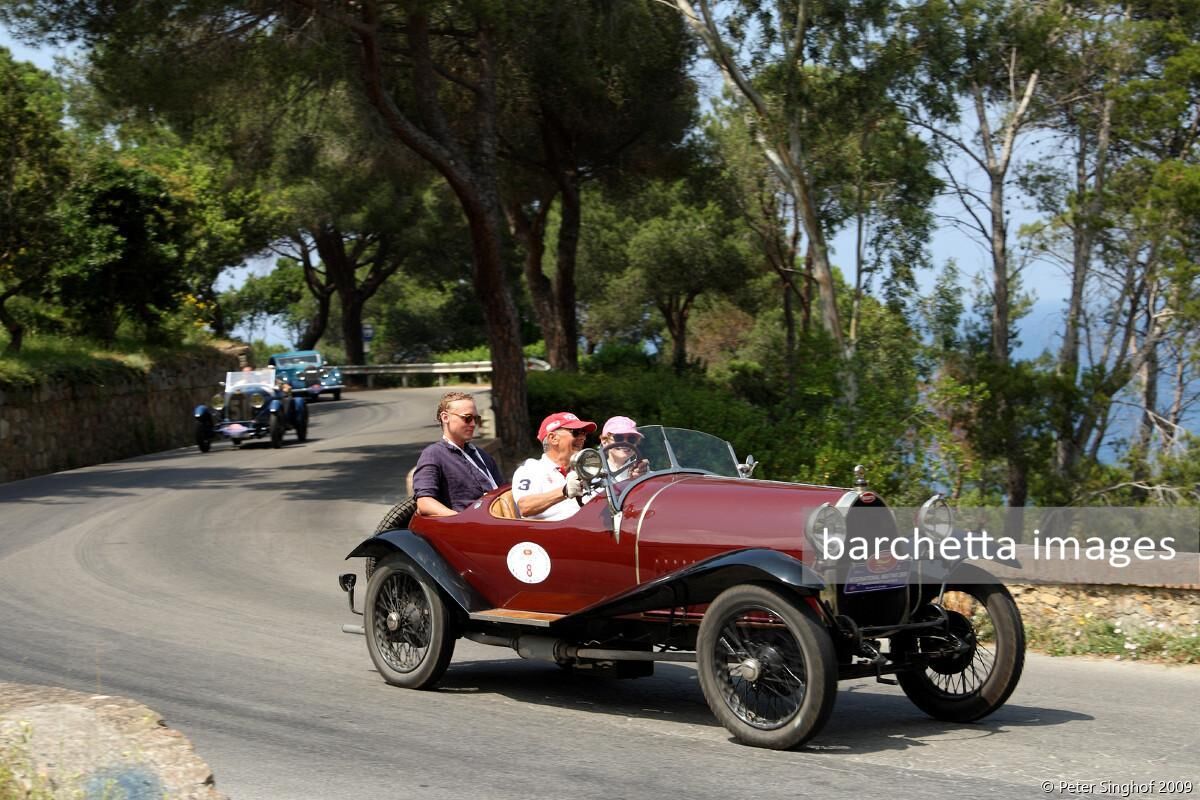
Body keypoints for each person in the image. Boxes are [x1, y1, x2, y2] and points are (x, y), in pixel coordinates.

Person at [412, 391, 503, 517]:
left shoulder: (482, 456)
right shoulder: (433, 454)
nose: (473, 424)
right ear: (445, 417)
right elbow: (425, 503)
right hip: (465, 527)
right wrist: (459, 519)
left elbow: (502, 492)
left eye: (476, 418)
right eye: (467, 418)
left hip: (496, 520)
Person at [512, 411, 597, 520]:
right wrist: (564, 491)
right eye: (576, 432)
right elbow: (524, 507)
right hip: (550, 533)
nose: (583, 438)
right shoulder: (531, 468)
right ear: (553, 438)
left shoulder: (587, 468)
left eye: (584, 433)